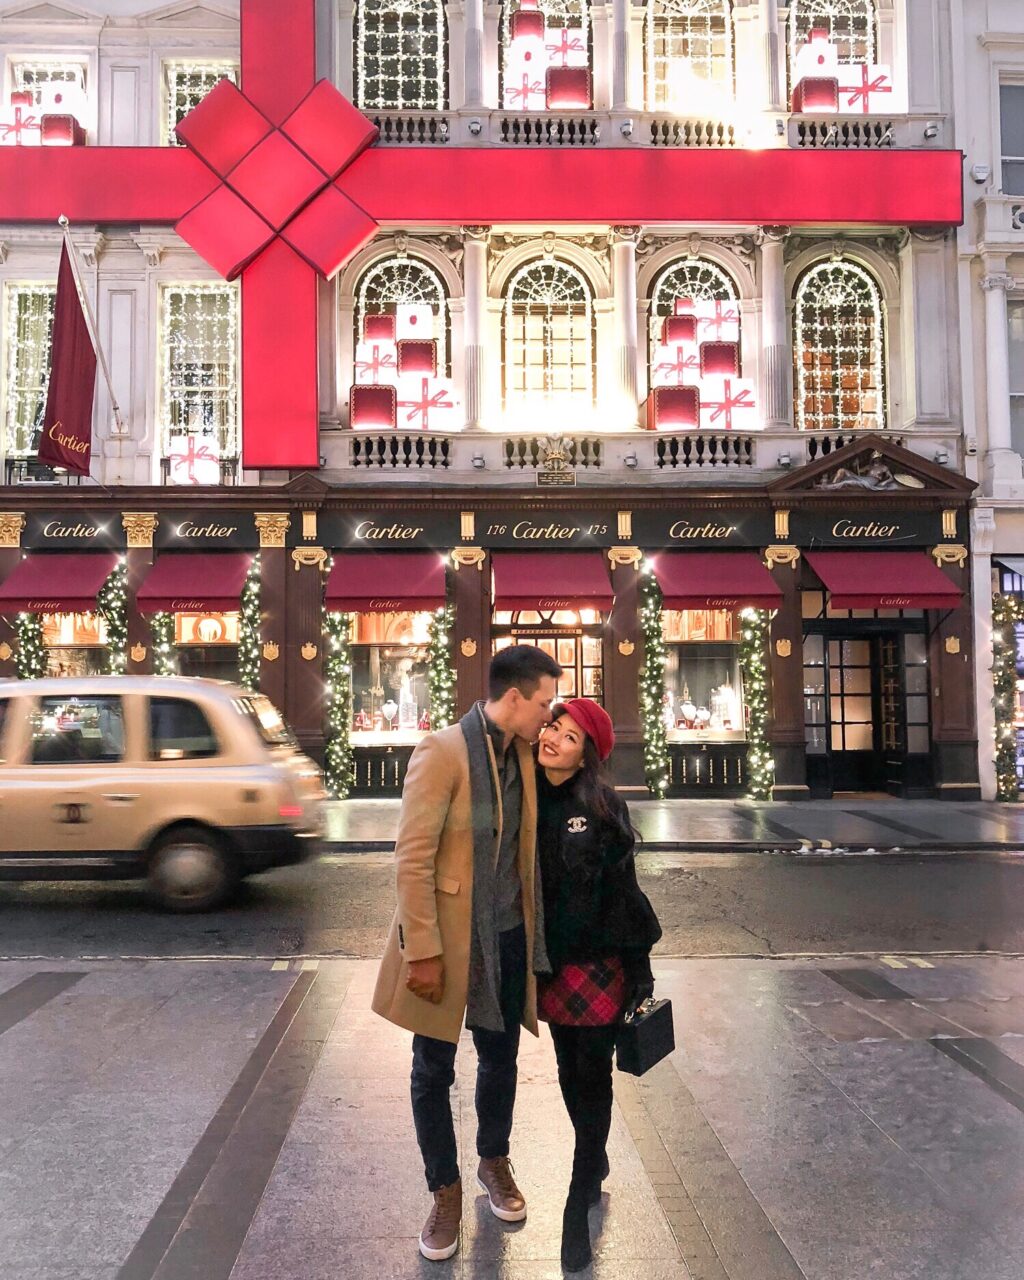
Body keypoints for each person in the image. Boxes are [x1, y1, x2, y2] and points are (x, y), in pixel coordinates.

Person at [372, 644, 562, 1262]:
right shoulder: (443, 751)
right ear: (514, 698)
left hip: (507, 934)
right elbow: (413, 858)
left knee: (500, 1058)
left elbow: (580, 753)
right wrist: (422, 950)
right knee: (432, 1068)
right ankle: (444, 1190)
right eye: (543, 703)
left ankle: (493, 1161)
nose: (549, 715)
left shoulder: (526, 753)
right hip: (450, 940)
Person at [535, 698, 662, 1272]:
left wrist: (640, 967)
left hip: (602, 967)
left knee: (593, 1081)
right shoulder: (526, 800)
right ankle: (595, 1157)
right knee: (569, 1075)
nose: (553, 739)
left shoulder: (604, 806)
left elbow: (625, 891)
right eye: (552, 727)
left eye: (569, 736)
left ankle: (575, 1202)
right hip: (553, 967)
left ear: (587, 754)